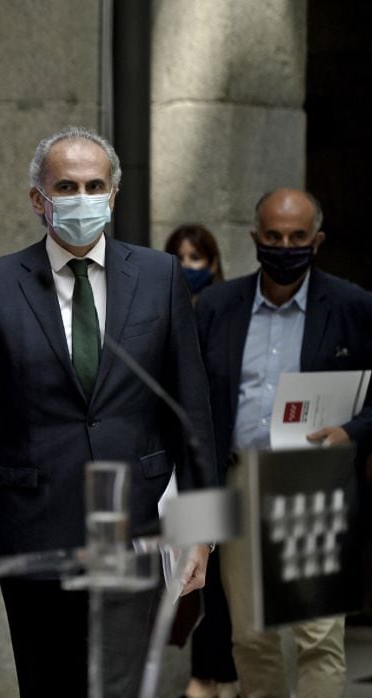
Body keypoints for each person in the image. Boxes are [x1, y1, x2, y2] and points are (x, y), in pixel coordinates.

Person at [0, 126, 216, 697]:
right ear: (38, 199)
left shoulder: (160, 277)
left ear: (113, 197)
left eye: (95, 185)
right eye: (66, 186)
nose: (82, 198)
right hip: (33, 529)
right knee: (49, 686)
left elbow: (192, 411)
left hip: (137, 526)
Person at [195, 187, 372, 698]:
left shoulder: (352, 306)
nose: (284, 245)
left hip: (312, 481)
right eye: (273, 236)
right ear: (255, 239)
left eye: (297, 237)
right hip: (238, 478)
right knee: (251, 636)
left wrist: (353, 432)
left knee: (317, 637)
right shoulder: (216, 307)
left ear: (317, 241)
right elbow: (193, 399)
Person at [165, 223, 238, 698]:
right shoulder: (158, 314)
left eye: (198, 258)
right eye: (180, 257)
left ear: (213, 265)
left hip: (219, 466)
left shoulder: (224, 319)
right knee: (188, 577)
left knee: (215, 576)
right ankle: (210, 676)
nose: (189, 267)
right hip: (174, 468)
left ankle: (213, 677)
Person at [164, 223, 224, 298]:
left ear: (213, 263)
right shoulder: (158, 302)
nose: (185, 265)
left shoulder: (227, 304)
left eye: (195, 258)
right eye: (178, 258)